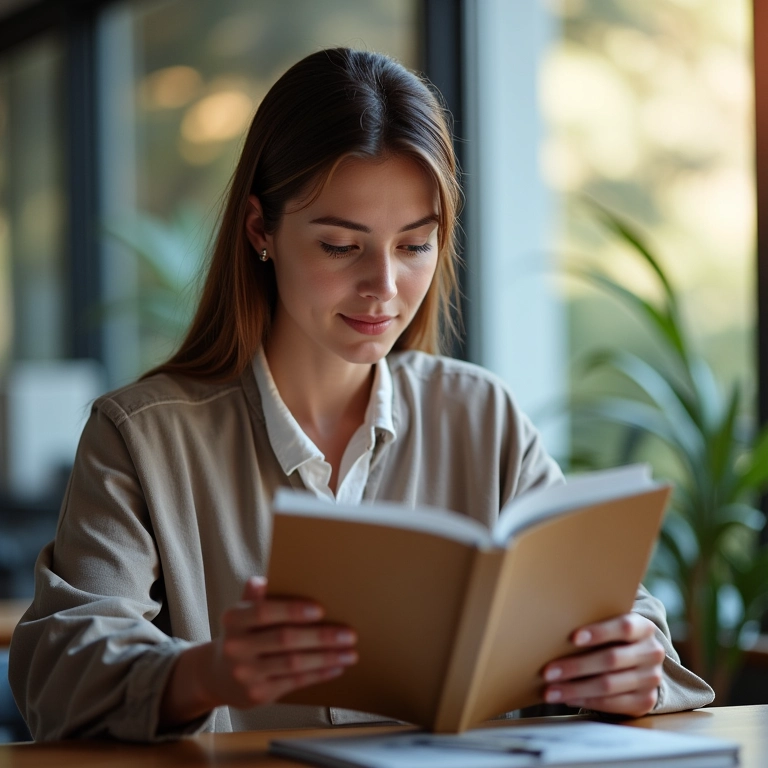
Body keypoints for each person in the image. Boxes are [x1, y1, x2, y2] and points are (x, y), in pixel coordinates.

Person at [9, 47, 713, 742]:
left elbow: (625, 619)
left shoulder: (481, 416)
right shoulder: (141, 437)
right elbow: (56, 670)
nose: (385, 287)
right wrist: (206, 673)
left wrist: (634, 667)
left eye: (414, 245)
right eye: (342, 246)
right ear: (261, 230)